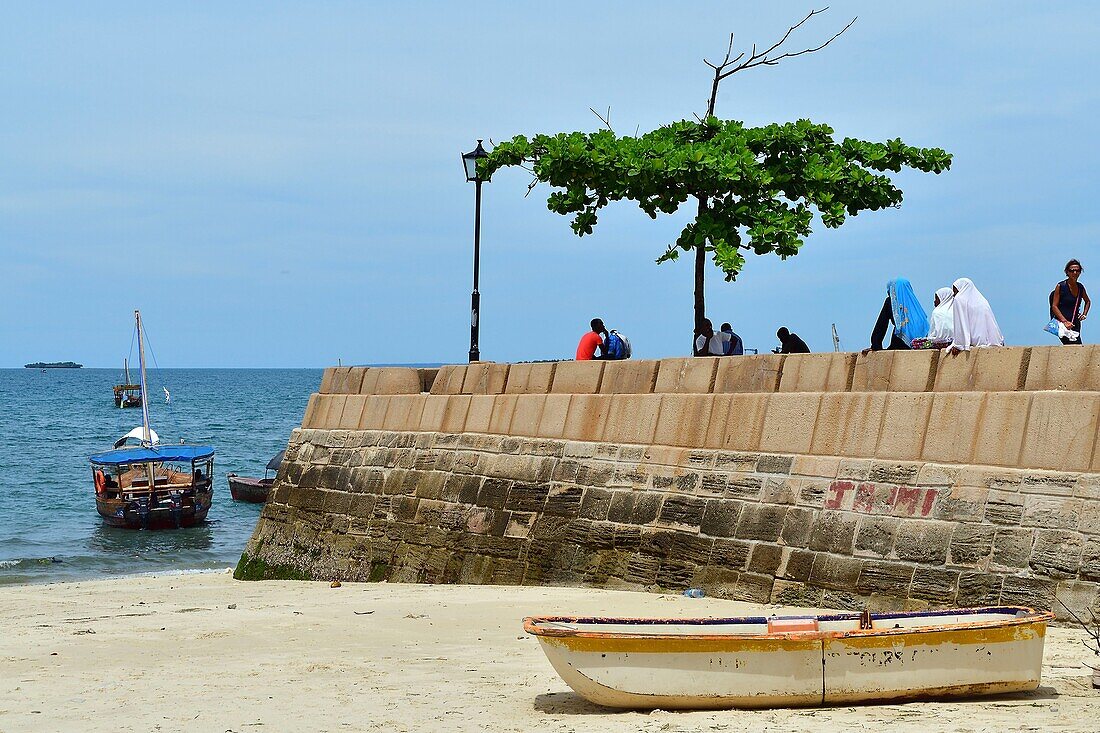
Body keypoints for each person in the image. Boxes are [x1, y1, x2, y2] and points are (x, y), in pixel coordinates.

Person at [865, 278, 929, 353]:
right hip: (919, 345)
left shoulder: (891, 302)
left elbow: (882, 324)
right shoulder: (915, 305)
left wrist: (875, 345)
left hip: (900, 341)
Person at [949, 277, 1004, 353]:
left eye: (955, 291)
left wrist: (958, 345)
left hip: (974, 343)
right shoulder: (982, 300)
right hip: (992, 341)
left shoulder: (959, 299)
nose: (954, 295)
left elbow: (961, 325)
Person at [1050, 259, 1090, 345]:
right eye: (1072, 270)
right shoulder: (1061, 286)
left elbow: (1087, 301)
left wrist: (1084, 314)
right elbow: (1054, 306)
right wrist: (1064, 322)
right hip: (1061, 324)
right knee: (1070, 345)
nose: (1075, 273)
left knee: (1077, 346)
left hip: (1074, 322)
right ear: (1067, 272)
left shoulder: (1080, 287)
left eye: (1077, 270)